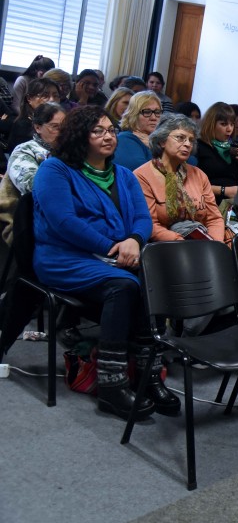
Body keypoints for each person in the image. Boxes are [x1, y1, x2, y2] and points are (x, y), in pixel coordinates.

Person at [32, 106, 180, 419]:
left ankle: (147, 374)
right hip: (65, 256)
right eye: (98, 131)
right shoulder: (54, 170)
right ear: (79, 136)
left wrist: (135, 241)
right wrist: (114, 247)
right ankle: (112, 383)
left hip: (117, 255)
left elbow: (142, 217)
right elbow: (63, 222)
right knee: (124, 285)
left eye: (111, 130)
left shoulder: (124, 175)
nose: (108, 136)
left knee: (153, 280)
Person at [133, 114, 224, 242]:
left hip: (202, 242)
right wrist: (182, 243)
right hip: (165, 246)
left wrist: (215, 244)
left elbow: (214, 218)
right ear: (162, 141)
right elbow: (149, 224)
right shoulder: (142, 176)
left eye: (191, 140)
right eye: (180, 138)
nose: (187, 144)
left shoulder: (199, 175)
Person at [0, 103, 64, 245]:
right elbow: (33, 186)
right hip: (33, 222)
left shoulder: (71, 151)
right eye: (55, 127)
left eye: (65, 127)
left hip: (64, 216)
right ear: (38, 127)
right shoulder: (25, 150)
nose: (62, 132)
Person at [195, 102, 238, 205]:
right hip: (208, 203)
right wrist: (224, 190)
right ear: (211, 124)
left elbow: (237, 181)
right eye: (224, 124)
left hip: (232, 204)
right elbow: (193, 185)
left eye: (232, 124)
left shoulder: (230, 150)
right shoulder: (199, 147)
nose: (229, 129)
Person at [6, 78, 58, 154]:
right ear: (29, 98)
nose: (52, 99)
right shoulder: (22, 125)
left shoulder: (61, 122)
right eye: (45, 96)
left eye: (56, 96)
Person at [114, 91, 163, 171]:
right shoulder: (124, 139)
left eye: (157, 112)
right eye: (147, 112)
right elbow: (145, 175)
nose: (154, 118)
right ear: (134, 115)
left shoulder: (159, 141)